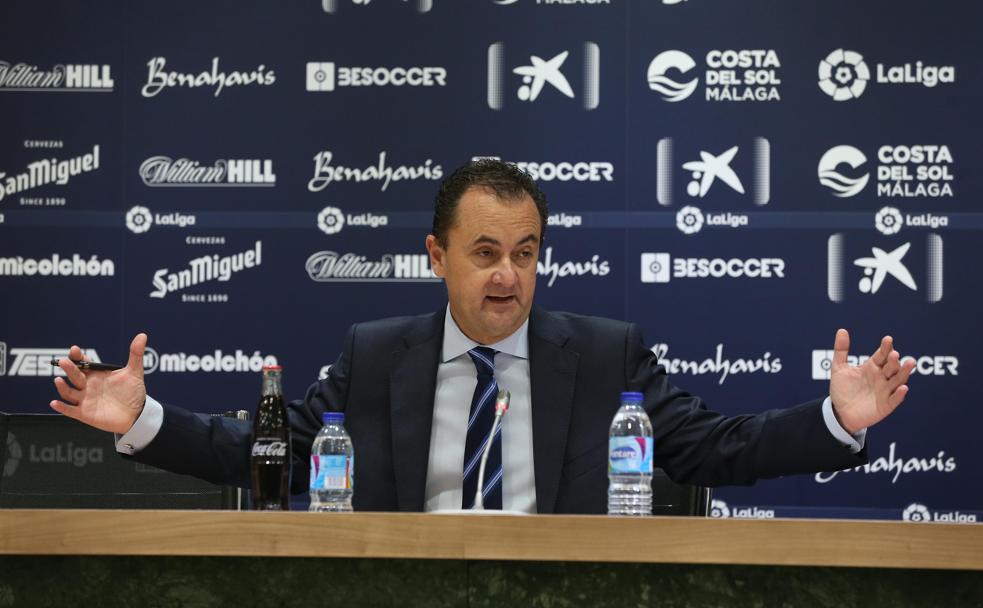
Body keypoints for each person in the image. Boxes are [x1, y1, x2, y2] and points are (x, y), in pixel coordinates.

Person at [49, 159, 915, 514]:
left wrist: (837, 421)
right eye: (486, 253)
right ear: (437, 256)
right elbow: (267, 452)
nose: (508, 276)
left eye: (526, 253)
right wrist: (142, 419)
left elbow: (714, 447)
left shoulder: (606, 353)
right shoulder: (377, 354)